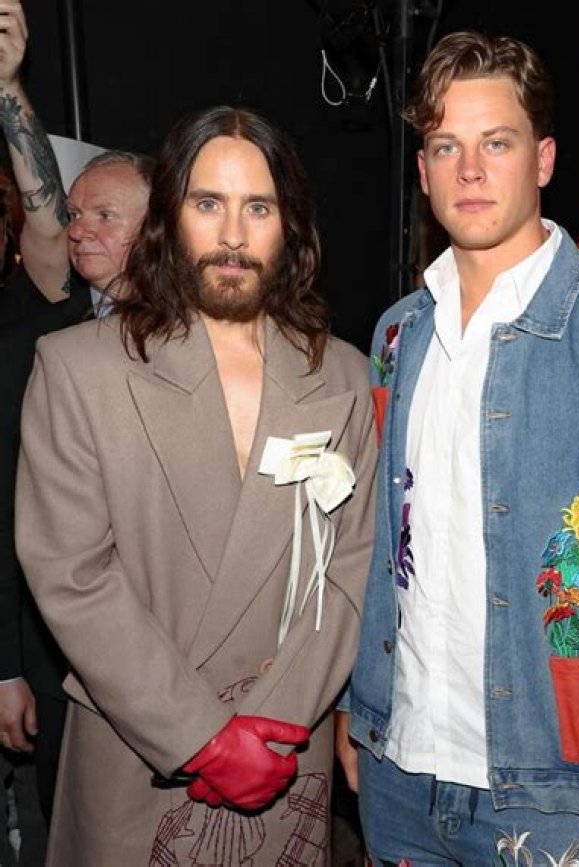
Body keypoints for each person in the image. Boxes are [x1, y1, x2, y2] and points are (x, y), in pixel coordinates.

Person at [341, 29, 579, 866]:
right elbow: (379, 548)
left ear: (542, 159)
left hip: (555, 799)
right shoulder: (397, 334)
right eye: (447, 146)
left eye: (496, 143)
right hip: (397, 776)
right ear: (424, 169)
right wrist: (355, 710)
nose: (470, 170)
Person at [14, 103, 377, 866]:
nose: (234, 234)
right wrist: (203, 738)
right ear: (169, 217)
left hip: (284, 751)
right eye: (208, 203)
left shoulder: (342, 373)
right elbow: (72, 575)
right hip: (139, 752)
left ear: (290, 224)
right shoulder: (79, 370)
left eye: (259, 207)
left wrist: (276, 720)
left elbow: (352, 564)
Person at [0, 0, 152, 851]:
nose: (79, 227)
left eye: (105, 215)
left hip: (173, 658)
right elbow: (41, 204)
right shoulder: (54, 325)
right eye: (76, 213)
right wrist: (7, 86)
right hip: (64, 662)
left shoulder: (207, 340)